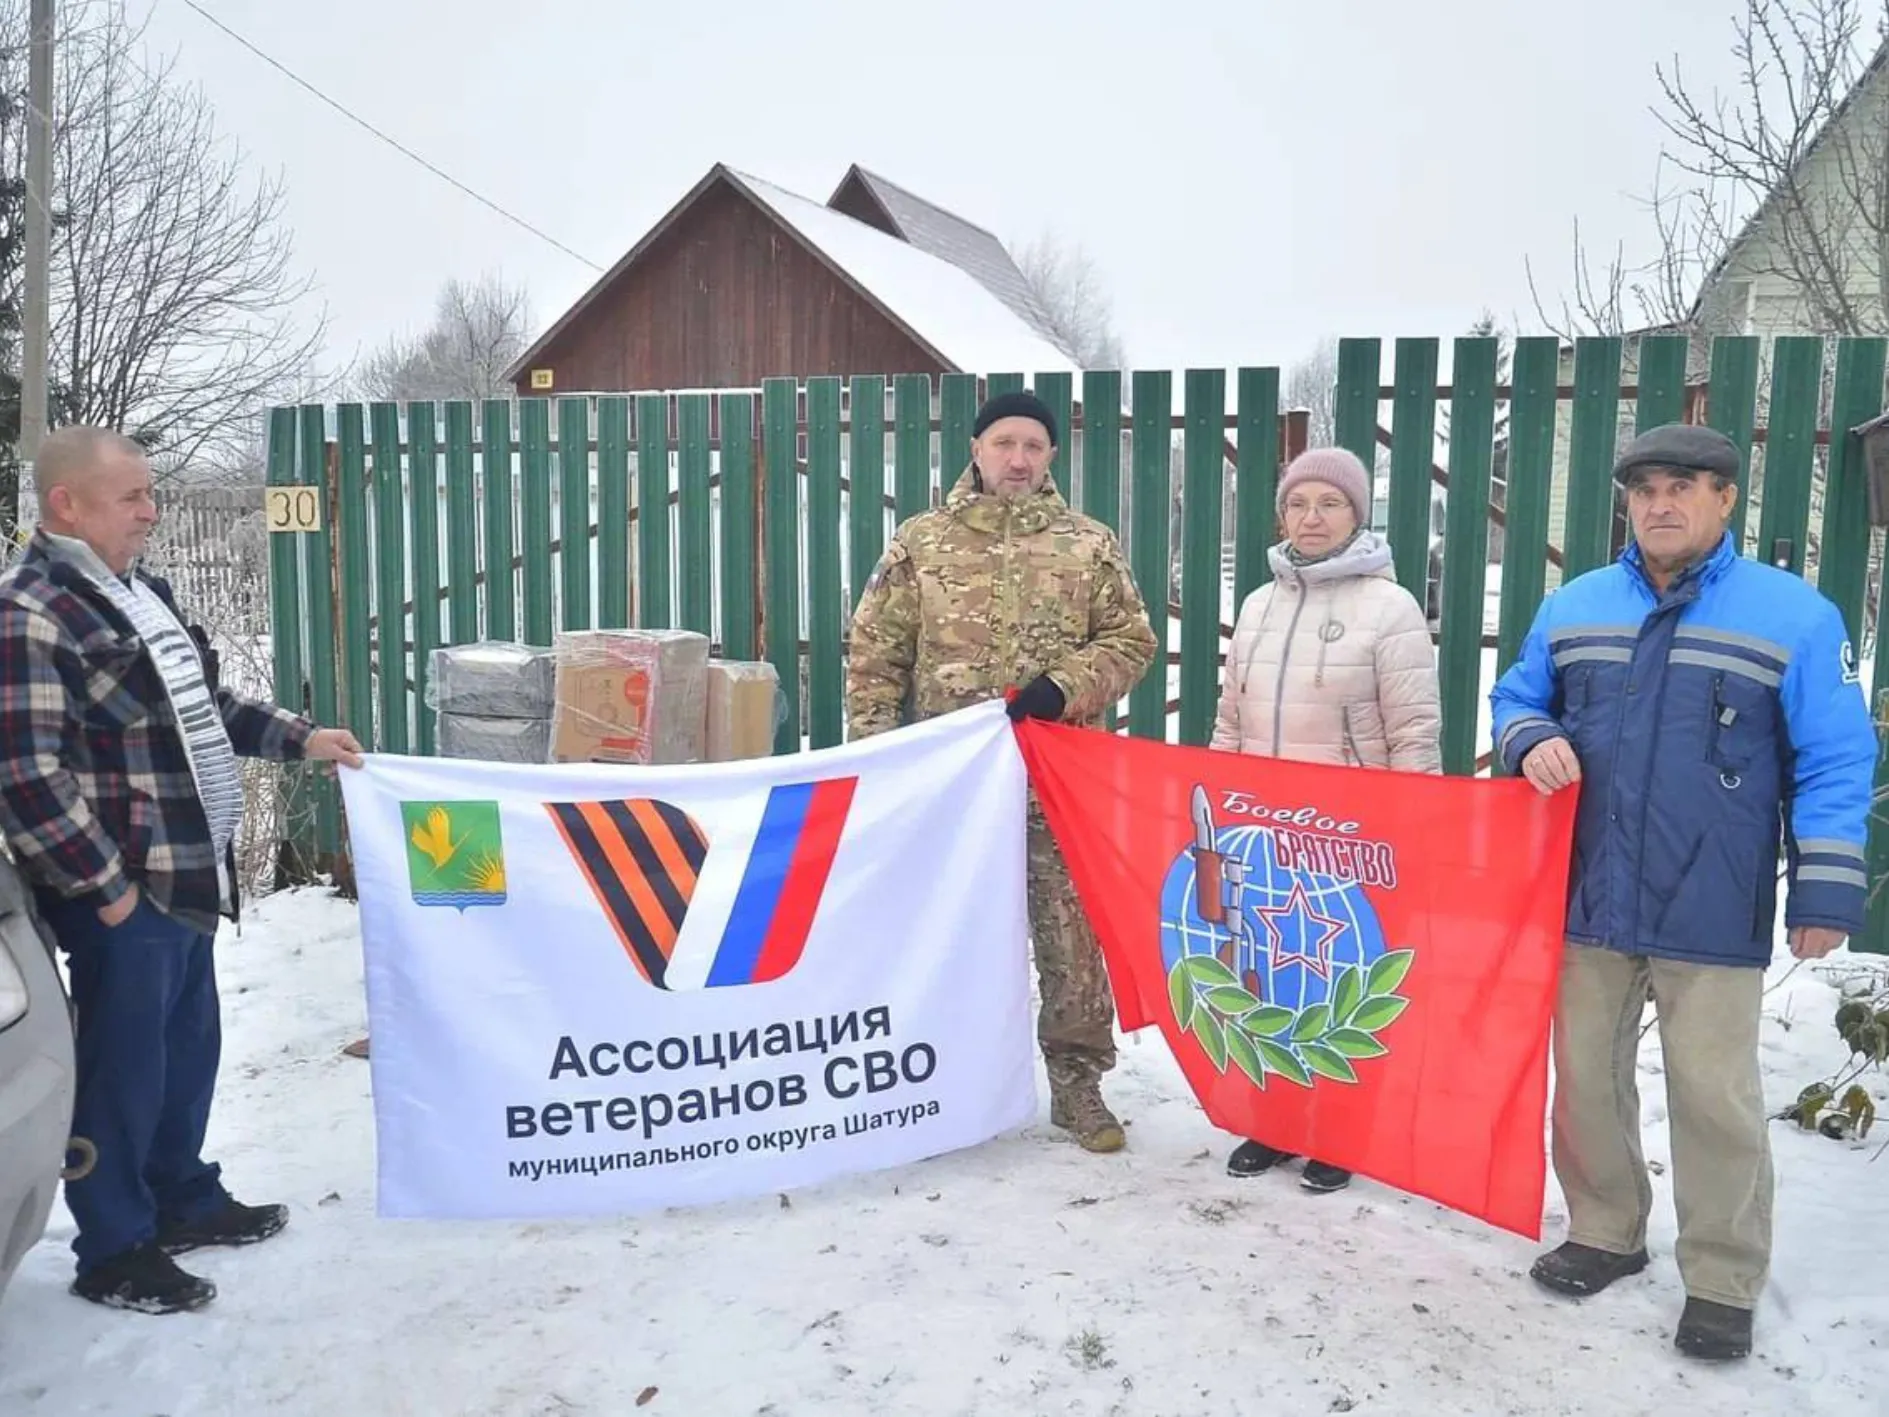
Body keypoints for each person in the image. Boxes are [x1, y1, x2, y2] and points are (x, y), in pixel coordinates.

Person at [1489, 423, 1876, 1363]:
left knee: (1714, 1094)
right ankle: (1603, 1230)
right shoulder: (1577, 604)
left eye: (1685, 486)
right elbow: (1514, 694)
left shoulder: (1793, 615)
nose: (1662, 502)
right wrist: (1526, 733)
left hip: (1712, 891)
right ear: (1626, 502)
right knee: (1582, 1078)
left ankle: (1721, 1275)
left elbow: (1833, 758)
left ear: (1725, 499)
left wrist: (1823, 889)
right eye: (1645, 487)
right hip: (1585, 888)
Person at [0, 426, 365, 1315]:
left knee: (185, 1049)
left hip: (189, 872)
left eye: (150, 493)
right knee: (123, 1069)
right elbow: (25, 772)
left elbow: (206, 700)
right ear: (67, 505)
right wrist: (107, 890)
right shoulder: (30, 613)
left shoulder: (139, 593)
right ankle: (116, 1246)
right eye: (132, 496)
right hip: (122, 888)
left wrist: (301, 737)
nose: (151, 510)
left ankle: (181, 1197)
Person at [846, 390, 1158, 1153]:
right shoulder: (922, 543)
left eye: (1034, 446)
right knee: (947, 931)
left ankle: (1077, 1083)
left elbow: (1131, 640)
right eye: (1004, 443)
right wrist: (879, 758)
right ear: (976, 448)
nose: (1018, 459)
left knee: (1069, 935)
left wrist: (1065, 686)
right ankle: (942, 1080)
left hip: (1058, 783)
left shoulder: (1086, 544)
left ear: (1051, 457)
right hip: (950, 788)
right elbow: (875, 658)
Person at [1208, 446, 1442, 1193]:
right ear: (1281, 514)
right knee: (1269, 974)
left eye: (1329, 503)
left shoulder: (1389, 607)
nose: (1312, 517)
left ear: (1356, 513)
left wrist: (1413, 825)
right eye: (1298, 503)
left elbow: (1413, 730)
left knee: (1342, 978)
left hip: (1348, 835)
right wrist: (1214, 805)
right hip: (1262, 832)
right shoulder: (1257, 603)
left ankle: (1341, 1130)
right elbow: (1228, 718)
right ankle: (1274, 1121)